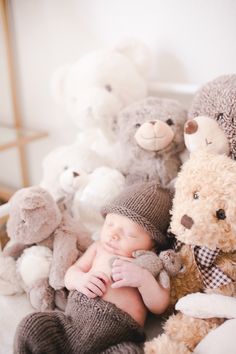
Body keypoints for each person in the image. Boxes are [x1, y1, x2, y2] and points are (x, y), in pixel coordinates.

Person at [14, 181, 172, 354]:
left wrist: (143, 280)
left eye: (129, 234)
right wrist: (80, 280)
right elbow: (70, 274)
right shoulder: (98, 248)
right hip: (71, 325)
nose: (113, 235)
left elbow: (159, 306)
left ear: (152, 245)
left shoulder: (150, 265)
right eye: (110, 224)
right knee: (32, 326)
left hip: (115, 340)